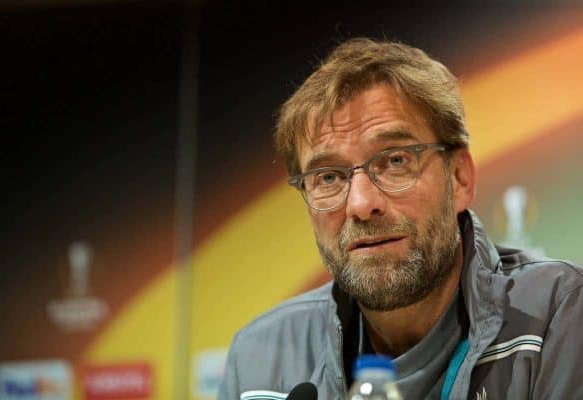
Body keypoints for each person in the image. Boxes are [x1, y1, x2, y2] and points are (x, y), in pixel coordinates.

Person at [217, 38, 583, 400]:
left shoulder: (558, 317)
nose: (361, 204)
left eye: (395, 161)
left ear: (459, 178)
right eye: (328, 177)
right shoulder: (259, 359)